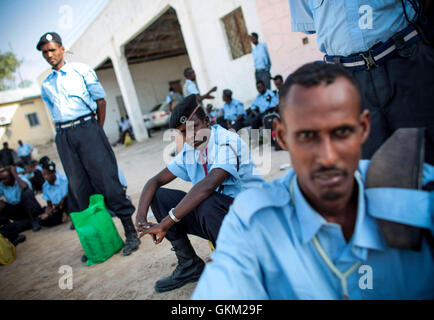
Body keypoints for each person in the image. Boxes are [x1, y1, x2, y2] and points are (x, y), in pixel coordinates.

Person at [192, 62, 434, 300]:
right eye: (308, 136)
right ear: (283, 137)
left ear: (363, 128)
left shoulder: (415, 188)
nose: (328, 157)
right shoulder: (254, 221)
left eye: (342, 133)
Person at [135, 94, 264, 293]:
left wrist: (166, 223)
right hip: (220, 217)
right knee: (160, 196)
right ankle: (189, 266)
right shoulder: (190, 152)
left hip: (252, 220)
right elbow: (154, 181)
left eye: (194, 127)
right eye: (183, 133)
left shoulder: (227, 141)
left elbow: (208, 185)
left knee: (205, 200)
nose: (191, 136)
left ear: (207, 121)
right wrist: (141, 217)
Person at [37, 32, 140, 259]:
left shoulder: (81, 71)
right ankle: (101, 239)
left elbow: (100, 101)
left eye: (53, 49)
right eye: (45, 52)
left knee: (108, 181)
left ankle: (131, 232)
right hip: (64, 135)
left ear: (62, 49)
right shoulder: (46, 85)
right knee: (80, 189)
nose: (49, 55)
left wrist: (96, 132)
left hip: (88, 128)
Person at [288, 0, 434, 159]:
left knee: (425, 158)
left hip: (404, 62)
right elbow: (312, 23)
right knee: (370, 168)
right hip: (348, 84)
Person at [0, 166, 43, 245]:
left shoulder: (21, 180)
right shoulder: (2, 185)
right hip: (16, 211)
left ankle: (33, 221)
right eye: (1, 179)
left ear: (12, 177)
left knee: (26, 192)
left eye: (5, 178)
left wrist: (15, 175)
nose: (3, 181)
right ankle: (12, 226)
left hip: (27, 209)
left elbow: (25, 187)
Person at [37, 160, 69, 228]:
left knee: (67, 201)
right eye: (44, 175)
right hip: (57, 208)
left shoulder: (64, 179)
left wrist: (61, 202)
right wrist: (48, 212)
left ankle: (67, 215)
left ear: (54, 172)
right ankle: (63, 217)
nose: (45, 177)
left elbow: (69, 194)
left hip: (67, 204)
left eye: (48, 174)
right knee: (41, 220)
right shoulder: (45, 186)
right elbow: (49, 203)